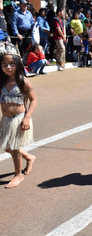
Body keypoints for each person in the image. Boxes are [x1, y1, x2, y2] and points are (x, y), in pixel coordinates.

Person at [0, 41, 37, 189]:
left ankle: (18, 175)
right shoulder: (1, 82)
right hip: (5, 119)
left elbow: (34, 100)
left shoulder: (23, 81)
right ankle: (29, 157)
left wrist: (26, 118)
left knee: (13, 147)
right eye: (4, 64)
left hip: (19, 119)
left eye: (11, 64)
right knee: (6, 146)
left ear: (18, 64)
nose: (8, 67)